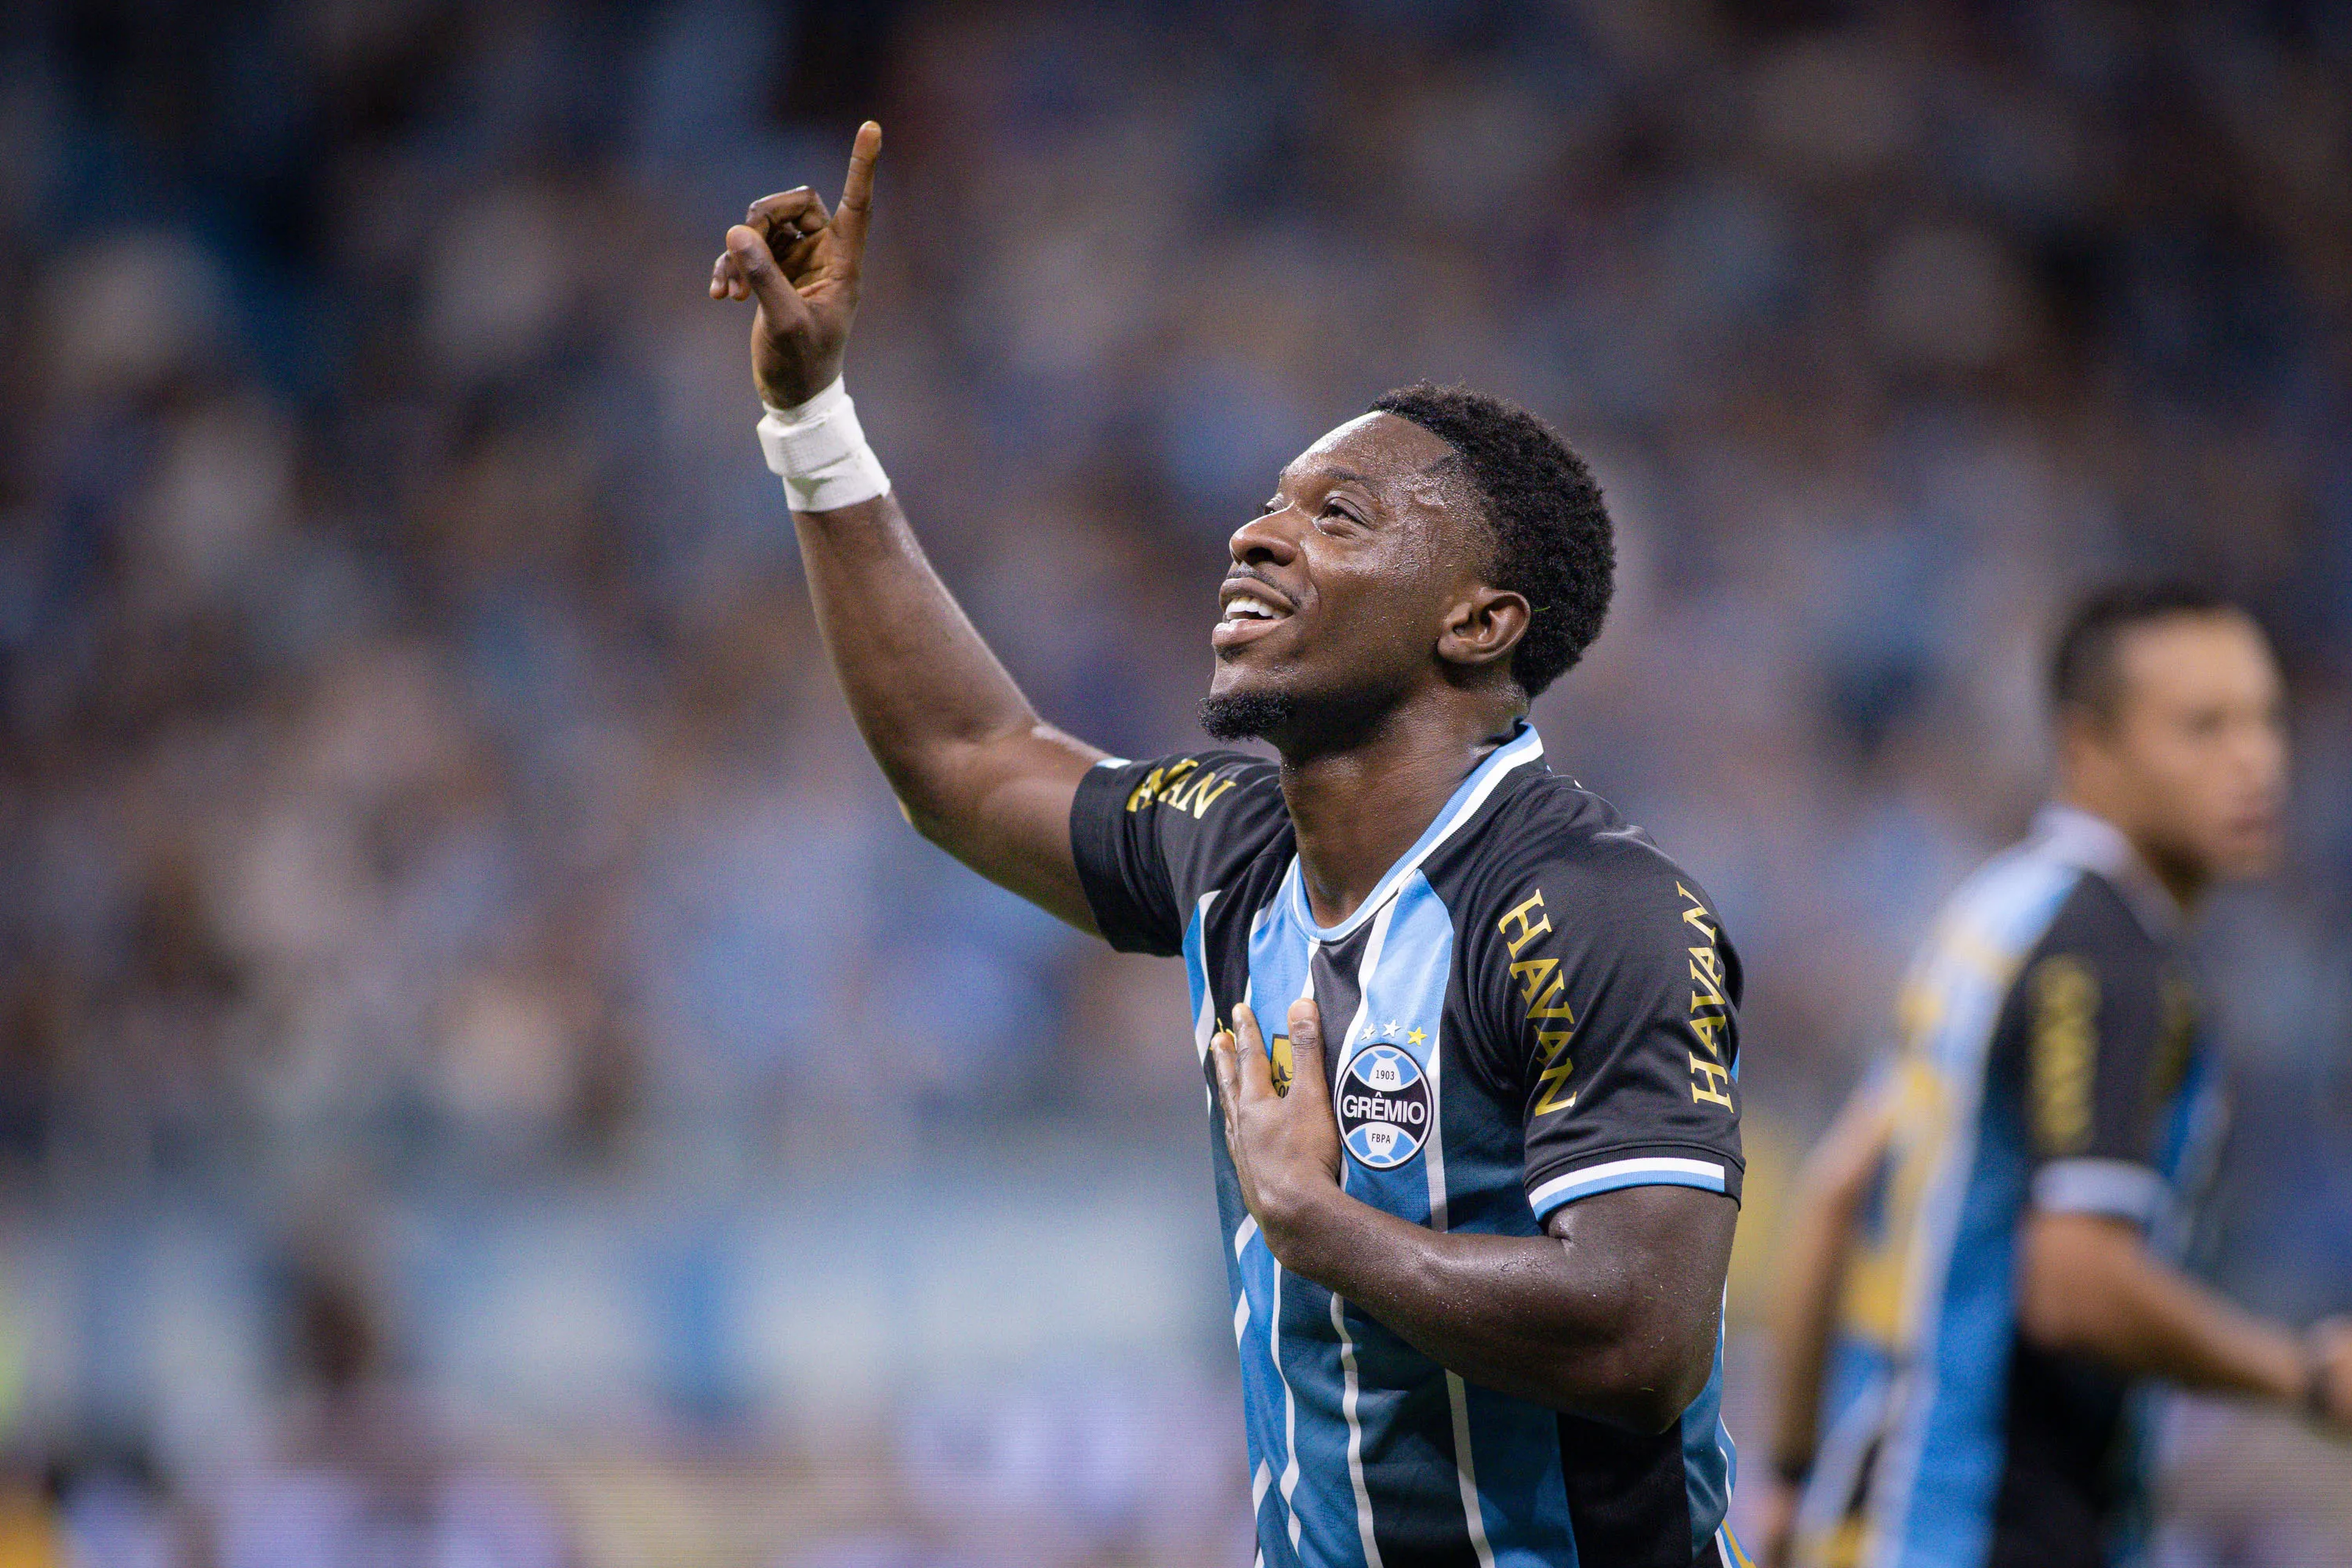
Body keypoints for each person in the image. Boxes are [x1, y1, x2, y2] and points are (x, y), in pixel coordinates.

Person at [711, 125, 1751, 1566]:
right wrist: (812, 416)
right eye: (1268, 503)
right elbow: (966, 766)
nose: (1259, 537)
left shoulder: (1590, 911)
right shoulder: (1236, 851)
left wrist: (1317, 1225)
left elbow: (1645, 1335)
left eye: (1339, 516)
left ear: (1481, 621)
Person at [1753, 583, 2352, 1568]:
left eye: (2265, 719)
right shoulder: (2110, 958)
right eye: (2203, 727)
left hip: (1873, 1513)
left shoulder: (1998, 909)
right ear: (2088, 746)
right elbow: (2076, 1281)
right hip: (1988, 1524)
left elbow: (1833, 1190)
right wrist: (2300, 1374)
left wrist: (1787, 1476)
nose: (2257, 760)